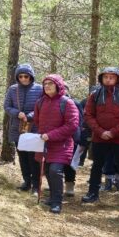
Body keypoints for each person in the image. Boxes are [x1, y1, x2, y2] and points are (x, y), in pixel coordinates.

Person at [81, 67, 119, 208]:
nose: (108, 79)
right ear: (101, 78)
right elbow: (88, 115)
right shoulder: (95, 94)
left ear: (118, 78)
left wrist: (113, 132)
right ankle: (92, 193)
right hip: (99, 138)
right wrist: (100, 132)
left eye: (111, 77)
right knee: (97, 166)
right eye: (105, 77)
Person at [34, 75, 80, 214]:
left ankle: (56, 202)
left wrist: (51, 135)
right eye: (45, 84)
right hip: (45, 144)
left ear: (58, 85)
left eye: (51, 83)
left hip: (62, 145)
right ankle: (52, 197)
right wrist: (41, 136)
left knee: (55, 171)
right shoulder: (40, 102)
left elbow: (72, 125)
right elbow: (37, 121)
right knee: (48, 171)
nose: (47, 86)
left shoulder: (67, 103)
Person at [3, 64, 44, 194]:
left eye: (26, 76)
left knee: (34, 158)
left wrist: (30, 116)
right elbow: (7, 106)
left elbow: (43, 107)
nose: (23, 79)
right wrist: (17, 113)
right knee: (22, 156)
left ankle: (36, 185)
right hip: (18, 128)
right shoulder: (12, 89)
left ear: (31, 76)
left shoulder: (40, 89)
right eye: (20, 76)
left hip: (34, 127)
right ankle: (27, 182)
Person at [62, 85, 84, 197]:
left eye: (64, 88)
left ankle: (69, 184)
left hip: (72, 138)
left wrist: (79, 139)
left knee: (69, 162)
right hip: (54, 137)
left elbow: (80, 122)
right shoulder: (49, 102)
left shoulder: (75, 103)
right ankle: (55, 183)